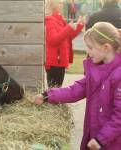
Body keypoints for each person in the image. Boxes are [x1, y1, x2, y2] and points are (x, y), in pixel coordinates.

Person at [32, 22, 121, 150]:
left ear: (106, 47)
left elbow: (119, 117)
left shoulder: (118, 76)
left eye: (90, 47)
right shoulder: (97, 70)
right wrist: (47, 96)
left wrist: (101, 139)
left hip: (111, 143)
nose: (87, 51)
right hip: (94, 138)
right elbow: (75, 90)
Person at [45, 0, 84, 88]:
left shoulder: (59, 20)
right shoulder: (50, 21)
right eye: (60, 2)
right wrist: (68, 28)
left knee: (57, 90)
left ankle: (55, 101)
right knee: (54, 91)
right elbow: (53, 40)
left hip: (59, 61)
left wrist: (79, 25)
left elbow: (67, 38)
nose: (62, 4)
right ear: (53, 4)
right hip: (54, 62)